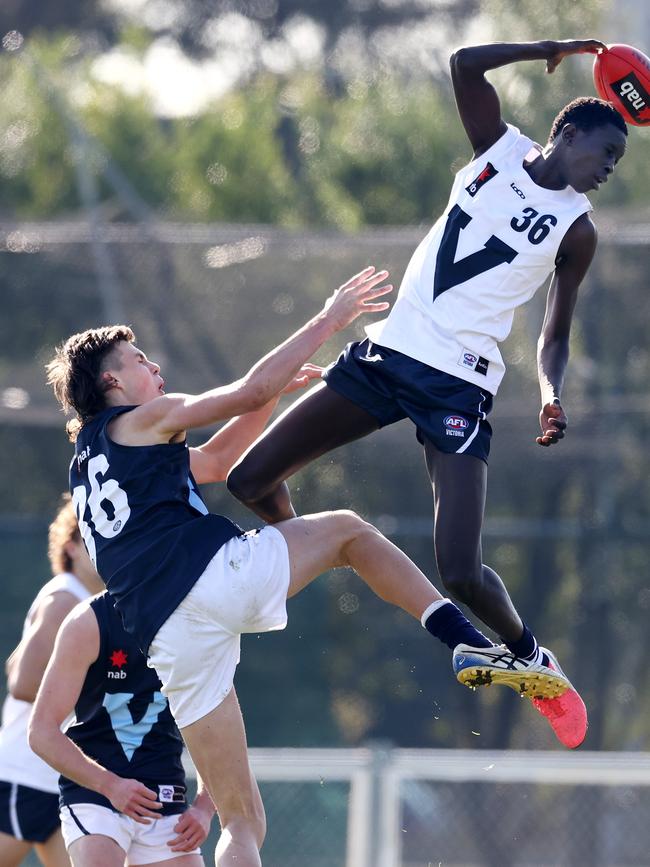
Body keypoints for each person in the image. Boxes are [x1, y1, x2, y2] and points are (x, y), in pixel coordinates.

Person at [45, 268, 566, 867]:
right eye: (139, 359)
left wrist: (271, 396)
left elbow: (215, 459)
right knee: (347, 530)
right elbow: (245, 389)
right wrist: (328, 319)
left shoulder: (90, 459)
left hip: (166, 636)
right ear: (112, 379)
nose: (154, 369)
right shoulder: (144, 419)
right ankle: (463, 639)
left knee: (241, 822)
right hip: (209, 577)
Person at [226, 39, 629, 751]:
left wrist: (548, 392)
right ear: (565, 133)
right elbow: (464, 63)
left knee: (463, 572)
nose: (606, 171)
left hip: (459, 384)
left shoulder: (578, 230)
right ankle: (292, 560)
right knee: (249, 477)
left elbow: (554, 334)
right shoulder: (496, 147)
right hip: (385, 358)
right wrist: (547, 48)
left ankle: (533, 661)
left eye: (616, 165)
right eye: (603, 153)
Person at [29, 591, 215, 867]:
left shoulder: (196, 623)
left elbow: (217, 733)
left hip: (165, 798)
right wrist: (110, 785)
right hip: (96, 796)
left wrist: (204, 808)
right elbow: (41, 733)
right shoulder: (87, 622)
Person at [0, 496, 103, 867]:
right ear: (71, 547)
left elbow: (16, 665)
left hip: (55, 775)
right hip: (25, 773)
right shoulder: (66, 599)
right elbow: (23, 684)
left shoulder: (90, 602)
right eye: (94, 538)